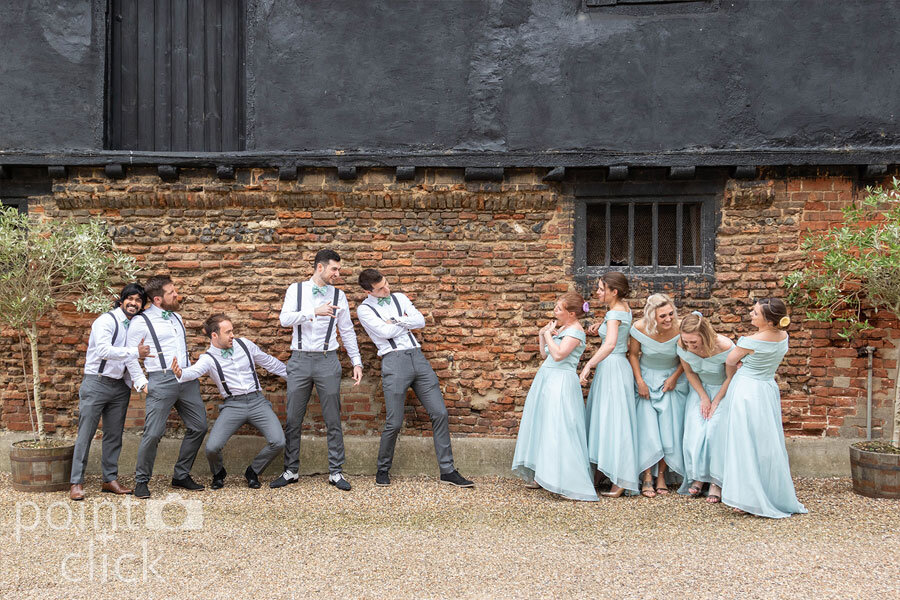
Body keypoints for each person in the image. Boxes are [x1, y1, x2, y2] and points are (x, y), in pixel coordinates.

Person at [355, 269, 473, 487]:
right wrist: (404, 323)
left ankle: (447, 470)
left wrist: (395, 321)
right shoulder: (364, 310)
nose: (386, 289)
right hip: (394, 361)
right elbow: (383, 333)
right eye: (380, 289)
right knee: (394, 421)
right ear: (367, 291)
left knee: (440, 413)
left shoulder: (399, 298)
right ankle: (382, 469)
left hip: (418, 358)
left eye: (386, 283)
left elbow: (420, 321)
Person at [271, 249, 363, 491]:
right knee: (293, 418)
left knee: (333, 417)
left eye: (339, 269)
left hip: (327, 359)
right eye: (334, 269)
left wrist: (356, 361)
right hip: (299, 360)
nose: (338, 274)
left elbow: (347, 329)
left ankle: (336, 472)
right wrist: (314, 312)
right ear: (320, 267)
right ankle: (291, 470)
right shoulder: (296, 289)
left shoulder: (339, 295)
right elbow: (284, 319)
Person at [171, 314, 287, 490]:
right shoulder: (208, 358)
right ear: (214, 336)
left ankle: (253, 471)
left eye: (232, 331)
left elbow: (268, 362)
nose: (233, 335)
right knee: (211, 448)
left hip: (257, 402)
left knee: (278, 442)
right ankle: (218, 473)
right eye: (228, 332)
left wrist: (293, 375)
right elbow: (193, 372)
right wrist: (181, 374)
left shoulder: (245, 345)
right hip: (233, 405)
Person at [720, 298, 808, 518]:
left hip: (747, 391)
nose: (751, 314)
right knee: (767, 444)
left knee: (744, 443)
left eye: (755, 313)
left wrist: (738, 368)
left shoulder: (749, 341)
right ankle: (766, 493)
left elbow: (730, 360)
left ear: (769, 321)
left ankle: (749, 498)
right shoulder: (783, 337)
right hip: (767, 388)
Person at [126, 274, 208, 499]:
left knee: (199, 426)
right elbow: (130, 356)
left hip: (186, 380)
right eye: (172, 292)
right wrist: (142, 382)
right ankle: (142, 480)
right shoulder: (141, 322)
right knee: (153, 433)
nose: (177, 294)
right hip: (160, 380)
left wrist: (190, 371)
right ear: (158, 299)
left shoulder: (177, 318)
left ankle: (181, 475)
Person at [512, 292, 598, 501]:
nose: (554, 312)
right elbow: (545, 355)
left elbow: (559, 355)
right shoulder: (563, 328)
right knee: (543, 425)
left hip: (561, 382)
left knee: (559, 427)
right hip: (547, 378)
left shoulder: (576, 332)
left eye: (558, 309)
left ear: (571, 313)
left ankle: (566, 481)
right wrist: (543, 335)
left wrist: (550, 335)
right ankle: (543, 474)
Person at [69, 283, 151, 501]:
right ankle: (76, 482)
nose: (134, 303)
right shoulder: (106, 321)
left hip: (119, 387)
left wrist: (139, 380)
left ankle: (109, 479)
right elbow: (104, 350)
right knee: (85, 434)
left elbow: (131, 359)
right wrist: (135, 351)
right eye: (130, 299)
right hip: (96, 382)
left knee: (114, 436)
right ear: (121, 300)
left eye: (138, 301)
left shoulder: (134, 326)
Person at [580, 272, 639, 497]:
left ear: (614, 291)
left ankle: (620, 476)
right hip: (614, 368)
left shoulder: (615, 312)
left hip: (612, 367)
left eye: (601, 288)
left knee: (614, 420)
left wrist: (589, 365)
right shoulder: (622, 308)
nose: (597, 292)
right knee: (605, 418)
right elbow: (614, 333)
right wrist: (601, 326)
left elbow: (612, 344)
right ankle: (603, 469)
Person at [627, 293, 688, 498]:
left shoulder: (681, 328)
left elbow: (686, 358)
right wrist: (640, 381)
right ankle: (646, 476)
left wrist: (674, 377)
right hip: (646, 379)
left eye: (671, 314)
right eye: (662, 316)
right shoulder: (639, 328)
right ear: (652, 316)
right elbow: (633, 355)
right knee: (647, 428)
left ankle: (661, 475)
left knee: (667, 429)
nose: (668, 319)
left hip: (671, 381)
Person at [676, 311, 734, 503]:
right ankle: (699, 477)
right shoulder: (681, 345)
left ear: (705, 335)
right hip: (700, 390)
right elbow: (689, 372)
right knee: (695, 430)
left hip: (723, 391)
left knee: (713, 431)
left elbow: (730, 377)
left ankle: (717, 482)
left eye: (694, 342)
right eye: (686, 342)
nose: (690, 347)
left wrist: (716, 400)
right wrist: (703, 397)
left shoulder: (724, 346)